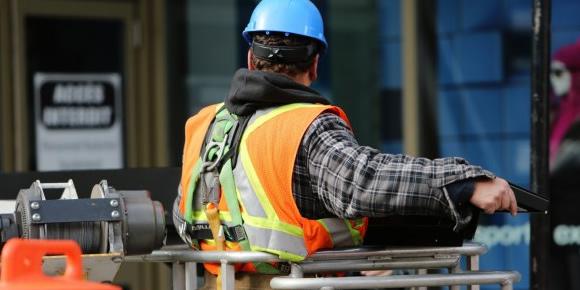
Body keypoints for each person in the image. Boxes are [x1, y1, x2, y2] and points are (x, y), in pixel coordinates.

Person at [172, 0, 517, 288]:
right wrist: (461, 182)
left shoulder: (205, 124)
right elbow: (360, 183)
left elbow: (185, 214)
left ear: (251, 59)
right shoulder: (306, 125)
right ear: (315, 64)